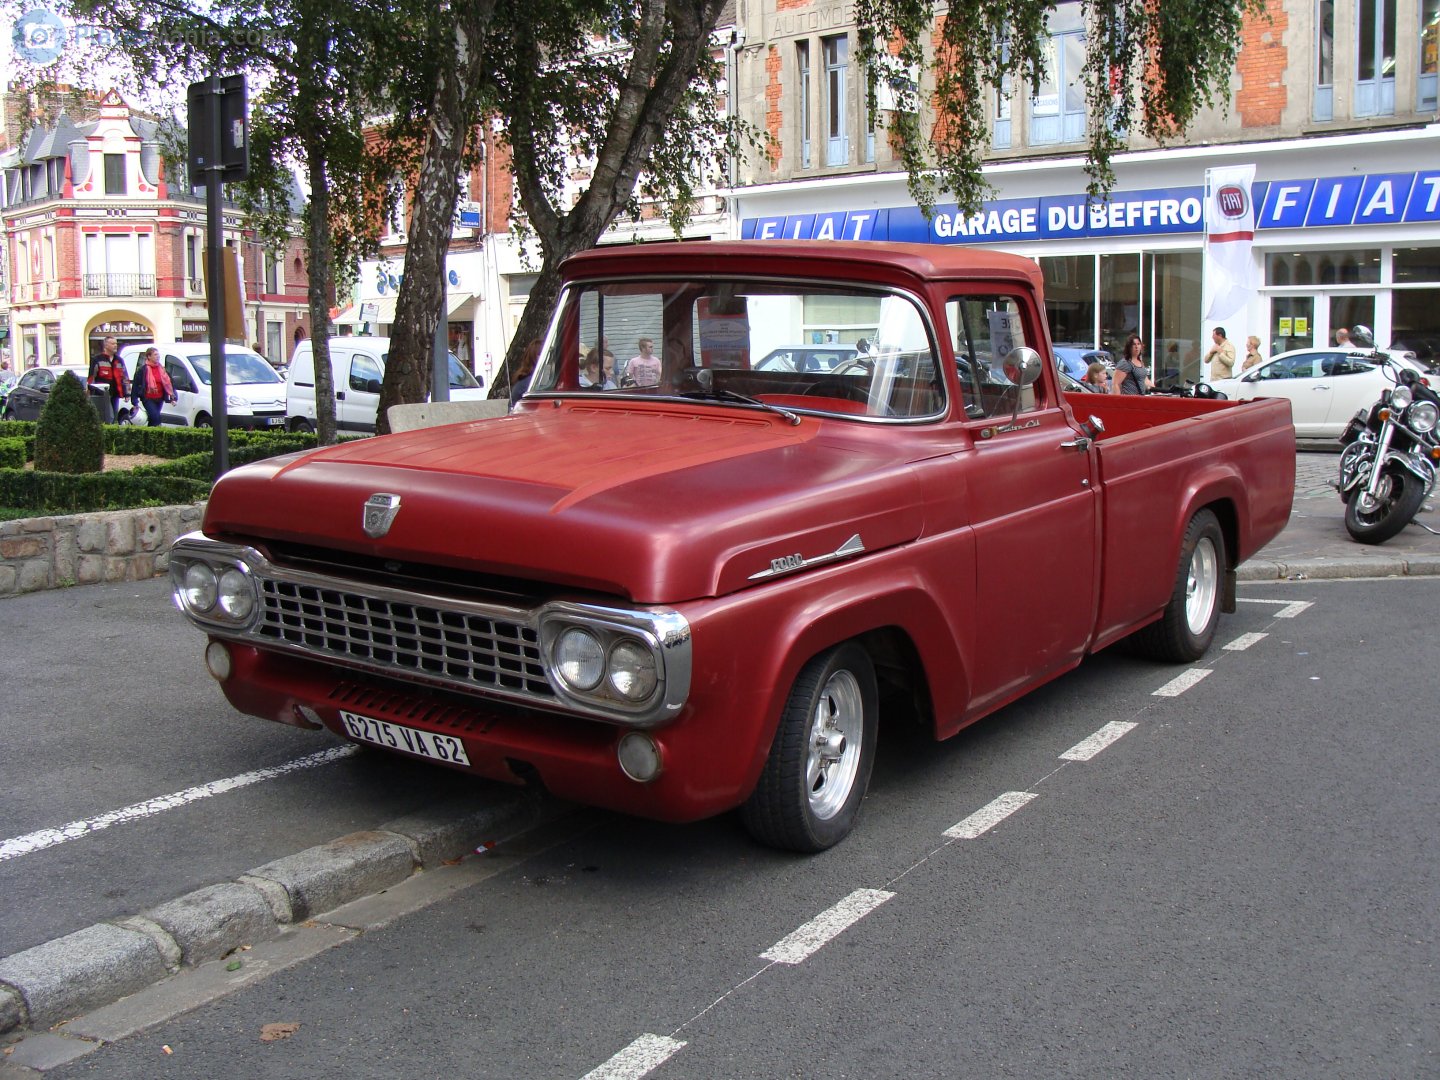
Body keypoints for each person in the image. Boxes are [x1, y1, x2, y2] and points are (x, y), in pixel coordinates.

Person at [130, 346, 176, 427]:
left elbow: (169, 384)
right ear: (149, 357)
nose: (158, 356)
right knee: (156, 417)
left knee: (152, 419)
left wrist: (173, 398)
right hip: (148, 398)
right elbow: (136, 385)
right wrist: (134, 401)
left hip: (160, 398)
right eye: (155, 355)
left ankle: (149, 437)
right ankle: (159, 435)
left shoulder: (162, 369)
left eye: (158, 354)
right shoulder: (142, 370)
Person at [87, 336, 128, 423]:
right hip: (102, 394)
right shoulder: (97, 359)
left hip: (116, 393)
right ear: (106, 345)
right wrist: (90, 391)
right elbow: (91, 377)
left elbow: (125, 377)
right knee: (109, 417)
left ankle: (111, 432)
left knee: (114, 417)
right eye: (113, 344)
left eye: (116, 343)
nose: (115, 346)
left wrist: (127, 393)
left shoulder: (119, 360)